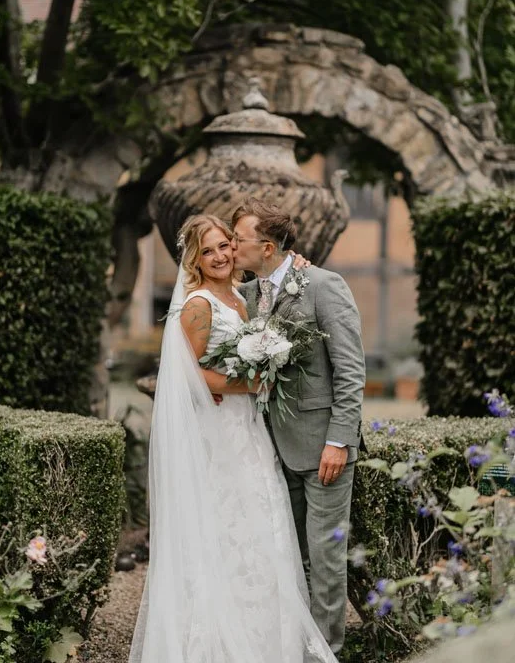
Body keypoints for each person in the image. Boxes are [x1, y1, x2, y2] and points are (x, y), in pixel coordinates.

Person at [128, 214, 336, 663]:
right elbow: (189, 375)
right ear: (193, 259)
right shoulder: (199, 304)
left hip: (250, 429)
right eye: (208, 250)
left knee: (266, 525)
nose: (220, 255)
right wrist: (254, 382)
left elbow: (276, 282)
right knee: (228, 527)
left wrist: (295, 265)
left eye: (225, 244)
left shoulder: (243, 295)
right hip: (220, 435)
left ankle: (269, 642)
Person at [231, 198, 365, 658]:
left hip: (320, 449)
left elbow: (350, 370)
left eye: (238, 240)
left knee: (325, 561)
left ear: (266, 247)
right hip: (266, 449)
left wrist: (339, 441)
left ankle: (326, 652)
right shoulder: (244, 296)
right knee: (287, 558)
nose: (231, 247)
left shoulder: (324, 285)